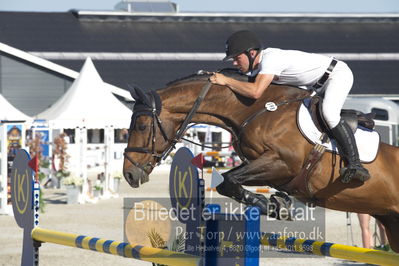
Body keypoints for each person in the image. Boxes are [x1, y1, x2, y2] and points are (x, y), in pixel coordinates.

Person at [209, 30, 370, 183]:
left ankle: (356, 164)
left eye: (237, 58)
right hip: (315, 86)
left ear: (252, 53)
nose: (235, 63)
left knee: (328, 113)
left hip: (336, 75)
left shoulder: (270, 60)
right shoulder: (257, 68)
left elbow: (255, 92)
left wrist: (226, 80)